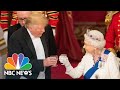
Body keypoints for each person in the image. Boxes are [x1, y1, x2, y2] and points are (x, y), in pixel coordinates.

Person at [6, 12, 57, 79]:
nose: (43, 30)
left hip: (43, 75)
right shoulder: (16, 37)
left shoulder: (44, 31)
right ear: (30, 27)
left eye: (43, 28)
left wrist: (52, 60)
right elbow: (17, 64)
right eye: (40, 29)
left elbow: (50, 51)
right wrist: (42, 63)